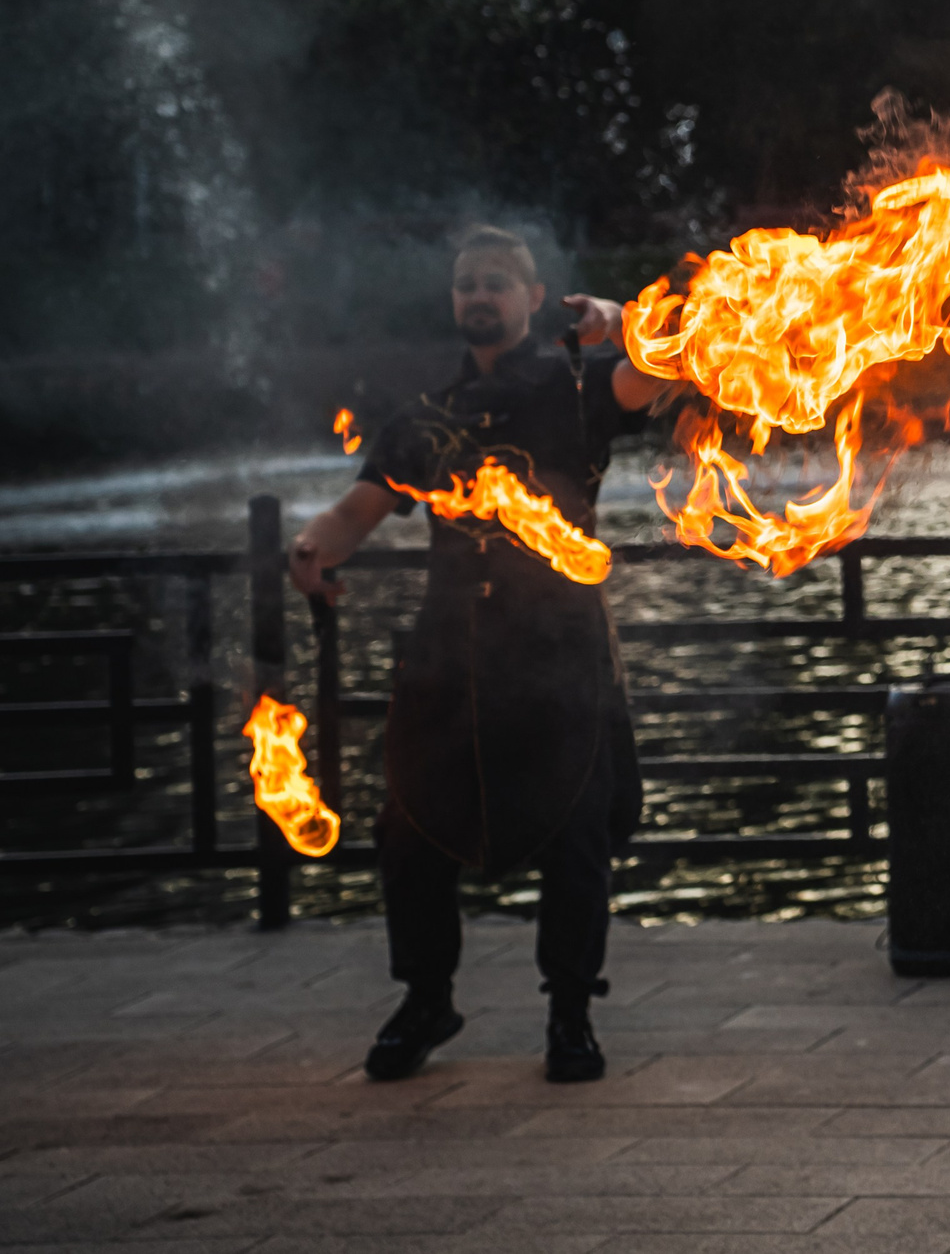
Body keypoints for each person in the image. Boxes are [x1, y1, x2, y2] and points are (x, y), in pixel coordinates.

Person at [289, 226, 678, 1084]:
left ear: (533, 297)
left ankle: (570, 1014)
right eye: (466, 282)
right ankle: (427, 996)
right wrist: (313, 548)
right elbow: (356, 511)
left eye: (497, 281)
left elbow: (672, 366)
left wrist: (620, 321)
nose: (479, 295)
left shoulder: (579, 388)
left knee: (575, 834)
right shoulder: (427, 418)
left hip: (560, 650)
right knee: (410, 831)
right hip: (450, 656)